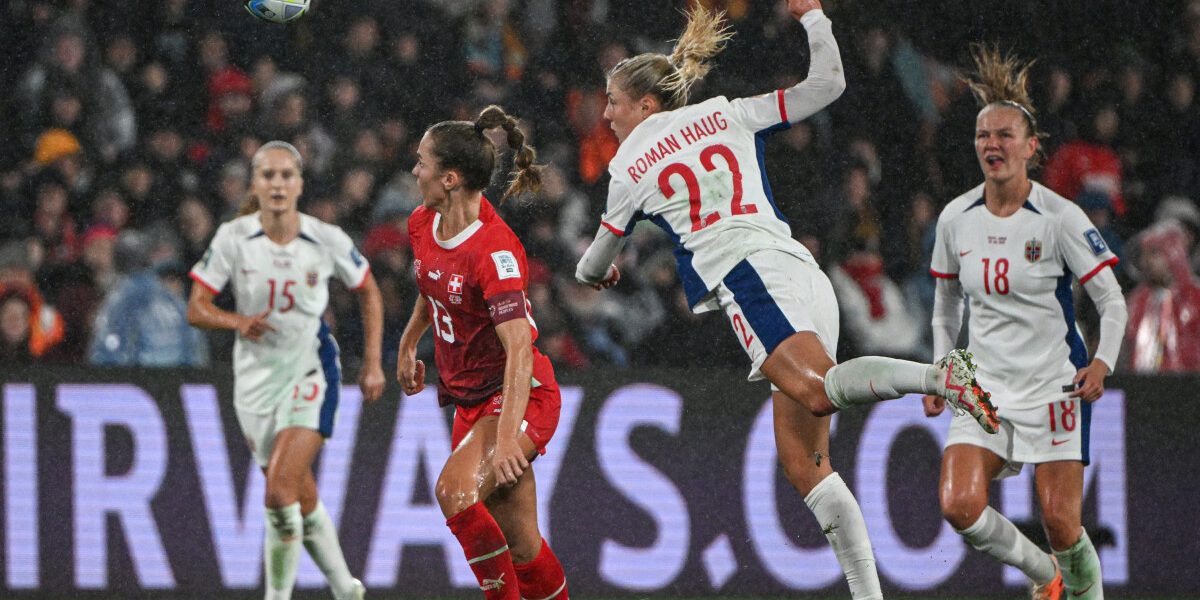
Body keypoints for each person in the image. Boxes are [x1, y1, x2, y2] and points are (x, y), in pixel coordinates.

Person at [574, 2, 999, 599]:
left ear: (646, 105)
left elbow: (592, 262)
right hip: (801, 270)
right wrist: (814, 17)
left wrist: (599, 274)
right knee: (805, 464)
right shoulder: (727, 114)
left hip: (748, 280)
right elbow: (829, 84)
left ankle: (941, 376)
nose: (607, 111)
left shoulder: (627, 164)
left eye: (614, 100)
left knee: (816, 389)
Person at [924, 46, 1128, 600]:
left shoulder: (1061, 218)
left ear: (1031, 148)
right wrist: (944, 366)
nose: (992, 144)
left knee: (1063, 523)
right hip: (984, 385)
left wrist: (1103, 362)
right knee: (958, 504)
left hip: (1052, 384)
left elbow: (1111, 301)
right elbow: (946, 304)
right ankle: (1046, 576)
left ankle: (1084, 590)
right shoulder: (954, 219)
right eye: (983, 136)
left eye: (1005, 135)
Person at [186, 141, 385, 600]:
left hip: (311, 370)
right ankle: (346, 589)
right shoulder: (233, 238)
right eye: (268, 176)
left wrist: (373, 362)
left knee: (278, 494)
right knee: (300, 494)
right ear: (256, 184)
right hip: (254, 384)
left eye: (286, 176)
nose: (277, 184)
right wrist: (238, 321)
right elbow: (196, 308)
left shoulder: (326, 238)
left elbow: (369, 291)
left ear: (300, 184)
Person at [397, 106, 569, 600]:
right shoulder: (420, 224)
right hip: (471, 403)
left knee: (454, 492)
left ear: (449, 178)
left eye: (422, 162)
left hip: (518, 395)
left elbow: (518, 349)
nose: (415, 171)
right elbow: (432, 285)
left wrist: (512, 435)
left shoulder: (494, 251)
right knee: (522, 547)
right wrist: (409, 343)